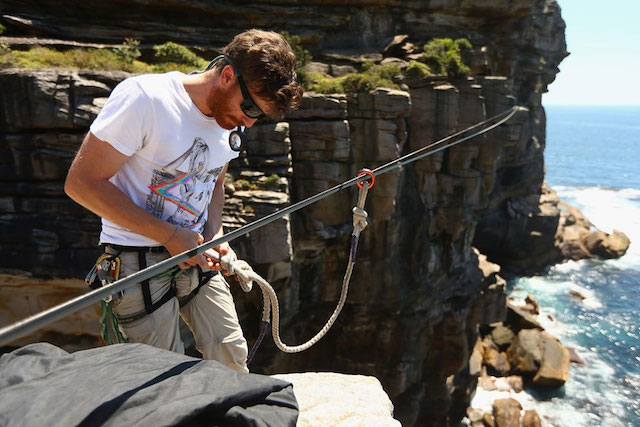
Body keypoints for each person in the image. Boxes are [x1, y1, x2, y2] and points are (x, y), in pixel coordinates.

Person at [64, 29, 303, 373]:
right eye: (250, 107)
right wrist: (170, 237)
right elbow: (82, 184)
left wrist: (215, 234)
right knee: (157, 376)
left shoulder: (230, 117)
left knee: (231, 357)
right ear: (225, 76)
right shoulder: (146, 99)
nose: (249, 120)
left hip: (197, 255)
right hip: (136, 262)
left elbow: (214, 183)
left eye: (259, 116)